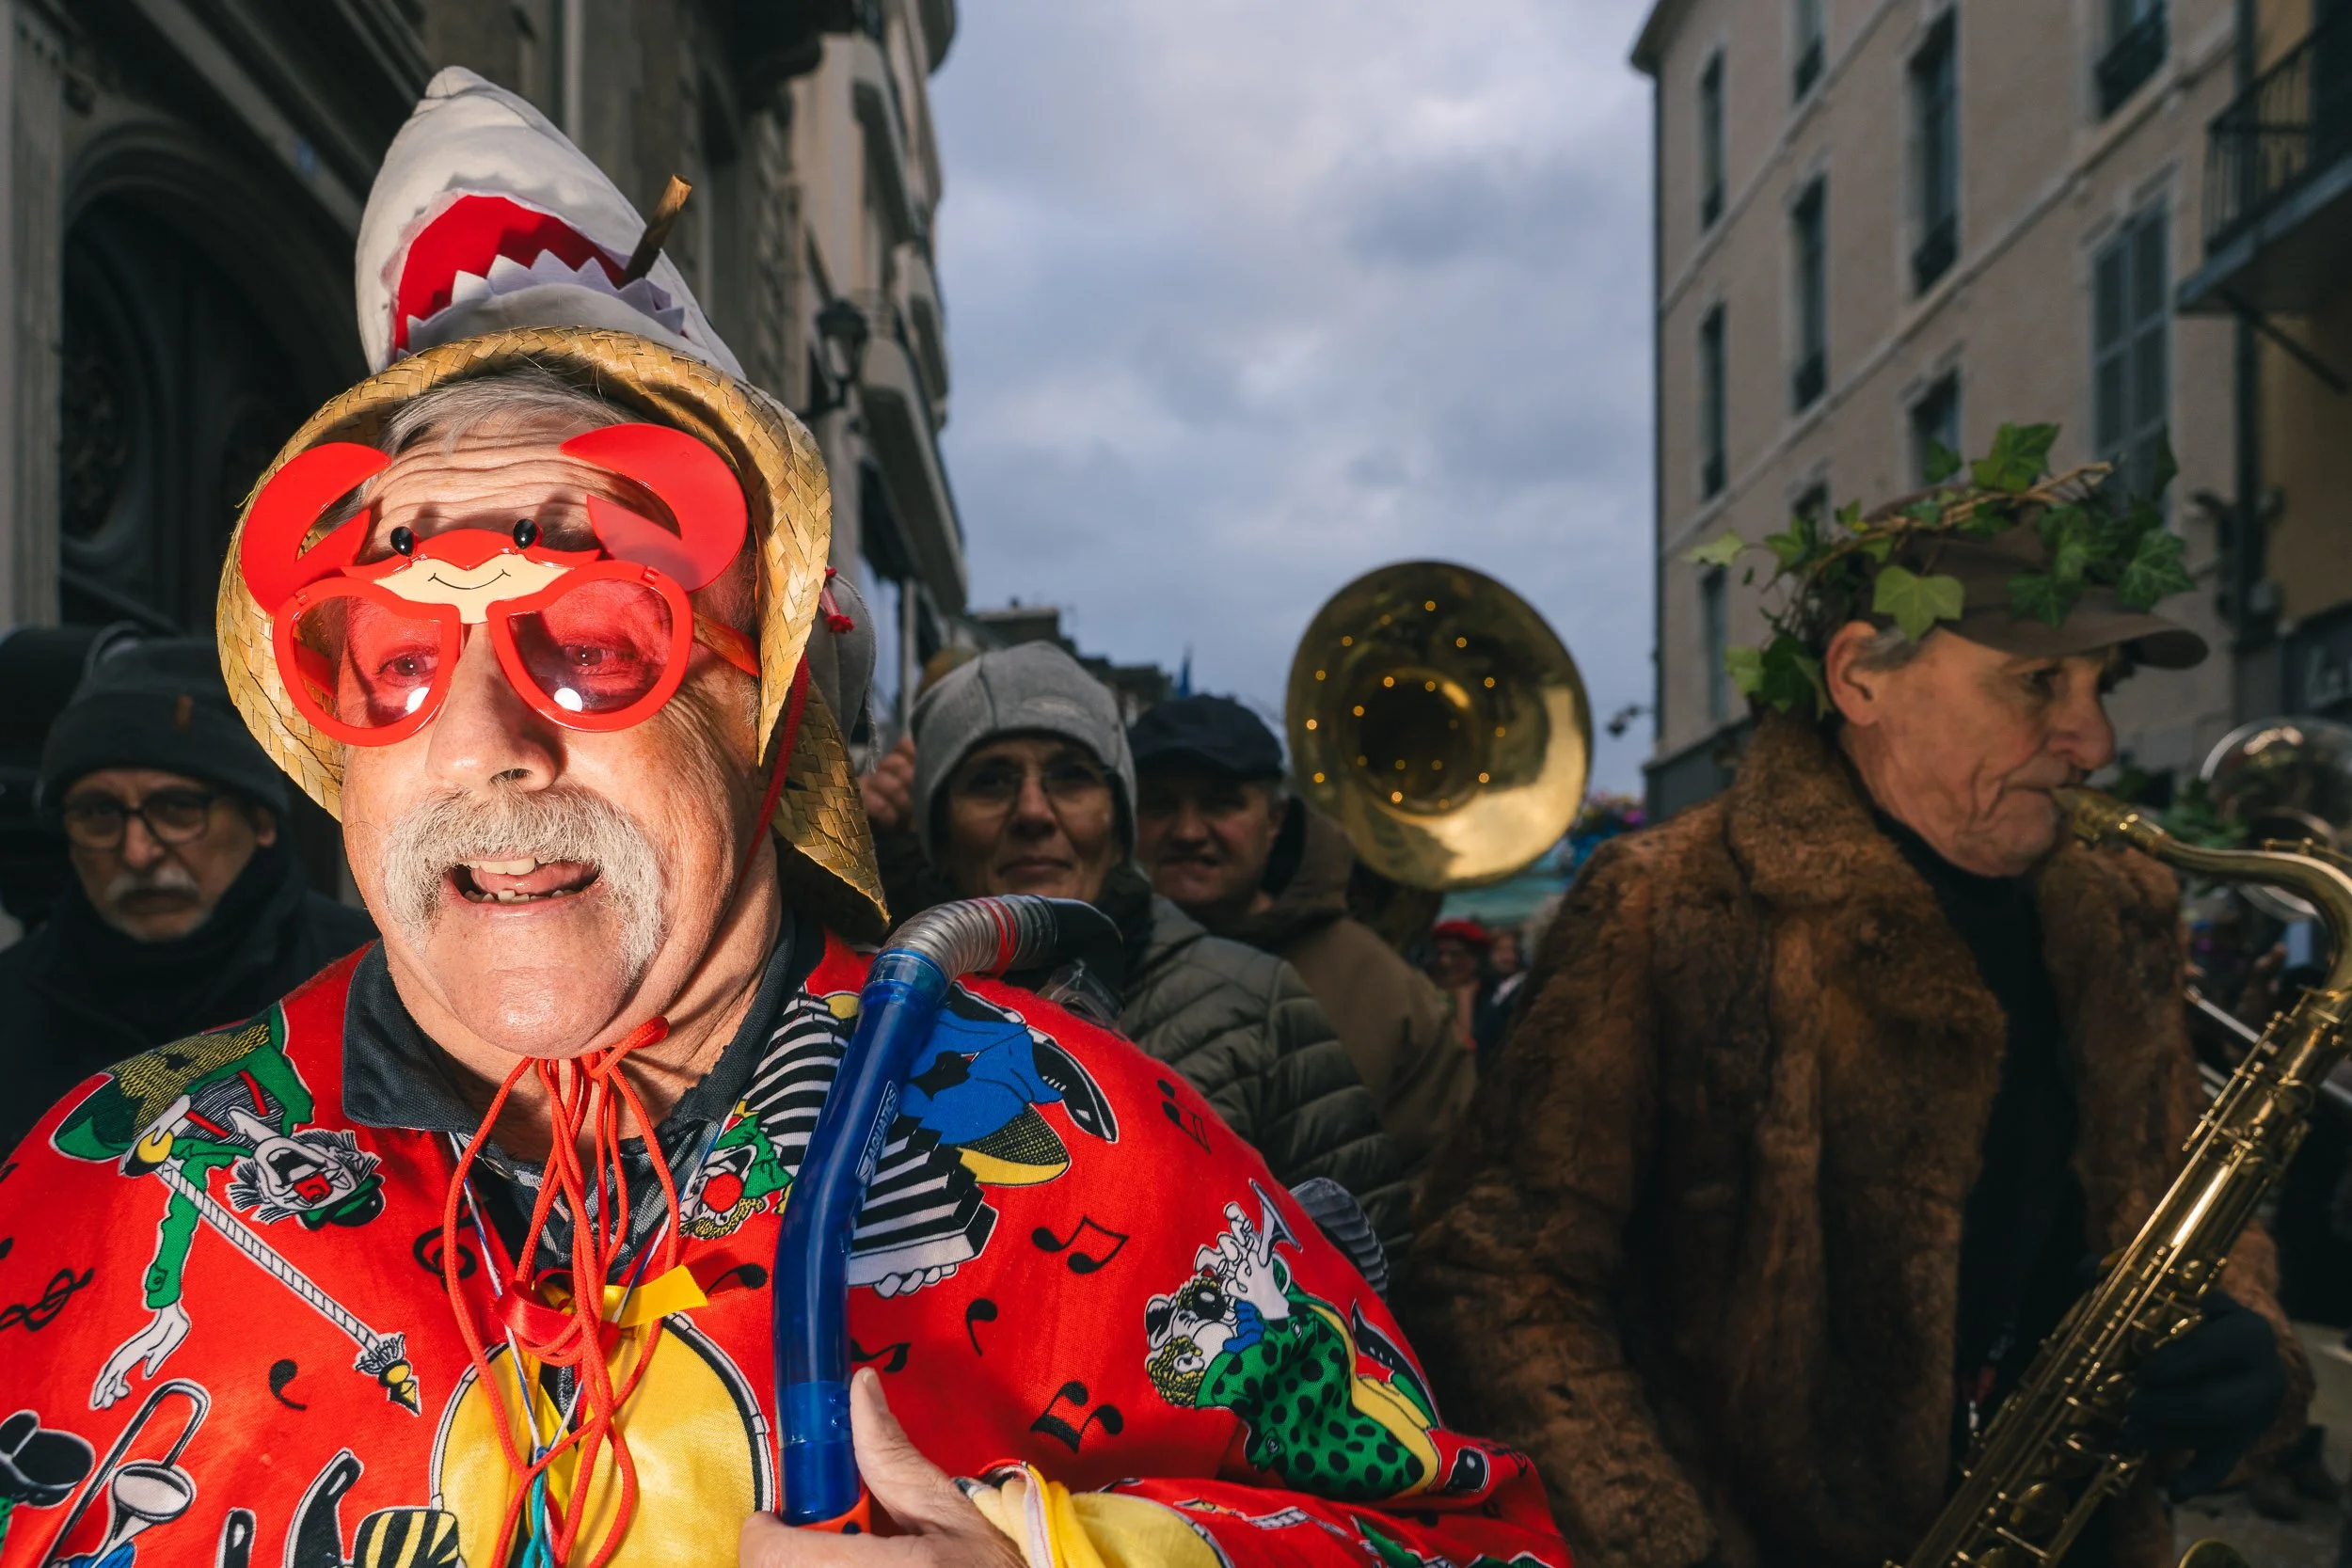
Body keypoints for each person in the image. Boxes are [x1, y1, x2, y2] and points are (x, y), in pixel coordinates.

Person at [0, 71, 1568, 1568]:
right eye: (400, 657)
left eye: (593, 637)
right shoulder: (121, 1171)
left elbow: (1476, 1539)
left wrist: (1055, 1551)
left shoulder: (1096, 1158)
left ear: (763, 699)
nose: (483, 743)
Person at [1399, 451, 2307, 1568]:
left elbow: (2178, 1206)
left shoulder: (2122, 909)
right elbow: (1495, 1274)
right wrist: (1655, 1541)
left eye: (2099, 687)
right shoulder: (1666, 901)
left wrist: (2242, 1340)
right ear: (1860, 679)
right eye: (2037, 683)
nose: (2094, 744)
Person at [873, 644, 1413, 1256]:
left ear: (1118, 821)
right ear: (938, 833)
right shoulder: (877, 1011)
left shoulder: (1258, 1003)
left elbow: (1372, 1274)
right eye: (990, 781)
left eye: (1071, 777)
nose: (1032, 811)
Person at [0, 639, 375, 1151]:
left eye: (178, 808)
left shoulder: (375, 988)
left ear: (260, 820)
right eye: (98, 814)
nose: (137, 853)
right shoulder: (13, 1010)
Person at [1129, 694, 1470, 1174]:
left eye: (1221, 804)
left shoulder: (1385, 989)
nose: (1187, 831)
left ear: (1275, 821)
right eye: (1159, 805)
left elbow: (1440, 1181)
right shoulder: (1077, 965)